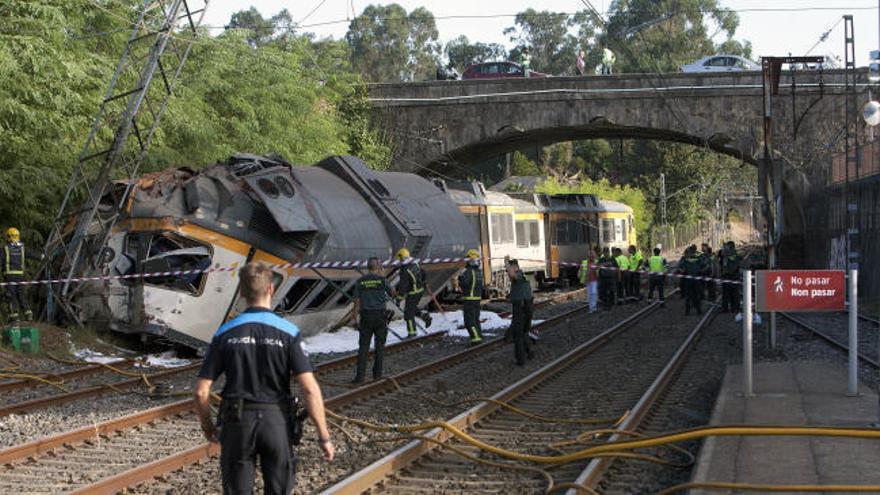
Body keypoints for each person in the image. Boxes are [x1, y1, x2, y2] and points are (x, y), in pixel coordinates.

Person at [193, 262, 334, 495]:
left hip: (237, 424)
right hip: (276, 422)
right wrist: (324, 437)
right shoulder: (288, 333)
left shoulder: (225, 333)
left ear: (241, 292)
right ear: (271, 289)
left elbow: (200, 392)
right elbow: (310, 390)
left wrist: (208, 428)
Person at [352, 257, 396, 383]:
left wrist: (354, 317)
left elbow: (356, 301)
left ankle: (360, 377)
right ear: (378, 267)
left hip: (365, 316)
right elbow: (393, 293)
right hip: (380, 316)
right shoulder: (382, 280)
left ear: (368, 267)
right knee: (380, 346)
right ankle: (377, 375)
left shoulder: (360, 281)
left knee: (363, 347)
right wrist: (383, 276)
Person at [4, 227, 36, 321]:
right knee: (21, 294)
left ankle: (15, 317)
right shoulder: (22, 248)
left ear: (9, 237)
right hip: (20, 276)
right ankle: (28, 313)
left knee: (11, 295)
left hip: (9, 277)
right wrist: (41, 256)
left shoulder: (5, 248)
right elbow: (31, 254)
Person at [395, 248, 428, 338]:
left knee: (408, 314)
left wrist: (399, 298)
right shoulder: (414, 263)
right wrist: (423, 283)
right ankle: (425, 316)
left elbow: (403, 286)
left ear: (402, 258)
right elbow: (423, 272)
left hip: (413, 293)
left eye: (399, 259)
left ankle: (412, 333)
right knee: (411, 308)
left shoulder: (404, 270)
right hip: (420, 290)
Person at [507, 259, 534, 366]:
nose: (508, 272)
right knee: (524, 332)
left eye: (510, 268)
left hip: (520, 307)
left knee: (518, 334)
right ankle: (529, 352)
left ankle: (520, 360)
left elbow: (512, 275)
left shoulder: (518, 275)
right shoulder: (523, 276)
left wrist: (506, 263)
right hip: (527, 306)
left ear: (515, 267)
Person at [455, 249, 484, 344]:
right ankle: (479, 336)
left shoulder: (468, 271)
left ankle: (476, 339)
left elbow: (464, 283)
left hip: (469, 300)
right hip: (477, 299)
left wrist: (460, 278)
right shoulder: (479, 271)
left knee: (469, 322)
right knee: (476, 320)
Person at [678, 245, 705, 315]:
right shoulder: (699, 258)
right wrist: (700, 271)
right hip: (696, 279)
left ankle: (687, 311)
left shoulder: (685, 259)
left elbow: (680, 268)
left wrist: (683, 272)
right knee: (697, 295)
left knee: (688, 296)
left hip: (688, 280)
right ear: (694, 251)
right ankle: (699, 311)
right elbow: (704, 265)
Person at [720, 241, 742, 313]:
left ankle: (727, 308)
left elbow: (725, 264)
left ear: (730, 246)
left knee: (727, 293)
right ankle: (734, 307)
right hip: (733, 275)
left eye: (727, 246)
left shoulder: (728, 253)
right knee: (734, 293)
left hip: (729, 275)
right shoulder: (734, 253)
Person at [578, 248, 599, 314]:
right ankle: (591, 308)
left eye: (592, 256)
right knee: (589, 294)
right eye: (590, 256)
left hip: (594, 280)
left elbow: (599, 270)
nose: (591, 257)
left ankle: (594, 307)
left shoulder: (596, 262)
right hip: (587, 280)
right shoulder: (584, 262)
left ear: (594, 256)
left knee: (594, 293)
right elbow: (580, 270)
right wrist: (580, 275)